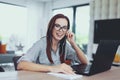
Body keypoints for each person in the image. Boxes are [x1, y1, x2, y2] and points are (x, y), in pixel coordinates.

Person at [17, 14, 88, 74]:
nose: (60, 30)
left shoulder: (65, 46)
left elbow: (84, 62)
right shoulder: (41, 44)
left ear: (67, 31)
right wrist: (53, 68)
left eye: (64, 27)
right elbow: (21, 65)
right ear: (51, 27)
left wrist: (73, 43)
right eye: (57, 26)